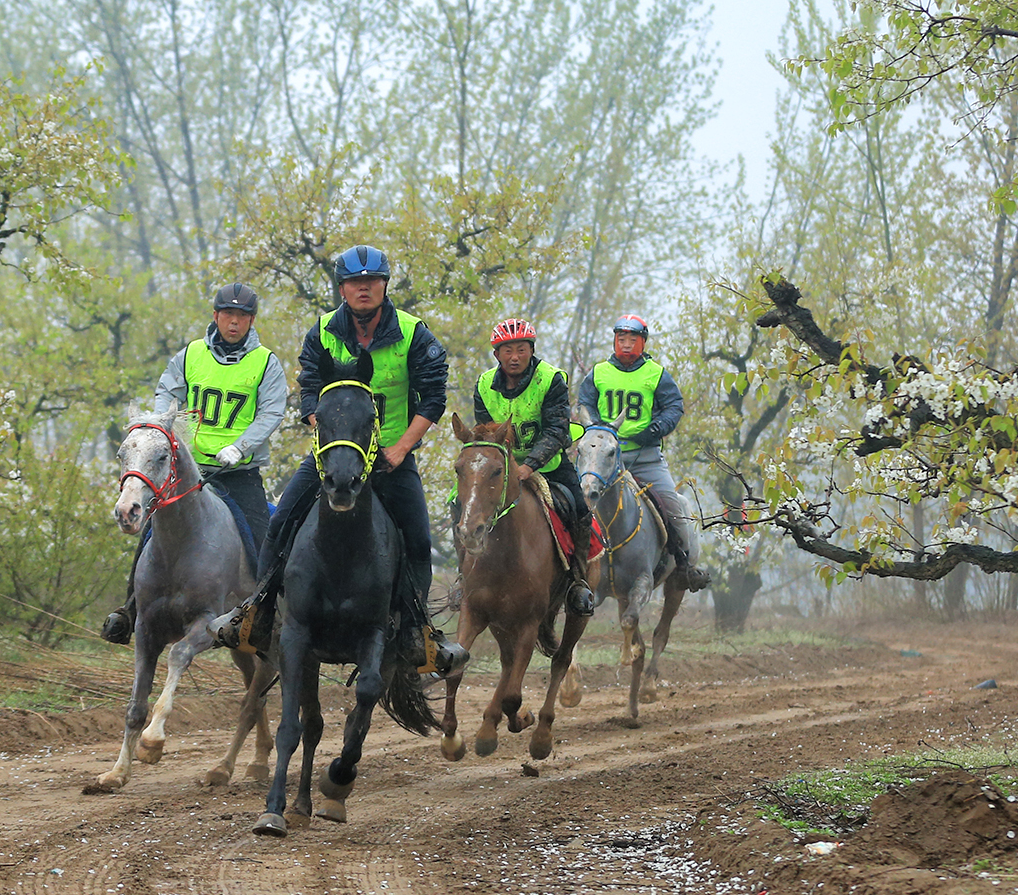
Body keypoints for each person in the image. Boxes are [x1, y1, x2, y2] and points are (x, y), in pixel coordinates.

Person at [221, 243, 457, 661]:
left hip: (390, 459)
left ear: (384, 286)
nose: (363, 289)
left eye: (371, 282)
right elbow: (308, 390)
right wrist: (328, 434)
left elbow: (434, 397)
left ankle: (418, 633)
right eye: (354, 283)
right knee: (280, 525)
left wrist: (402, 449)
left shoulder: (413, 332)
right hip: (332, 456)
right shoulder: (324, 329)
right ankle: (256, 612)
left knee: (419, 540)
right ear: (342, 289)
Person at [100, 282, 288, 644]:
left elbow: (272, 412)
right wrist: (159, 434)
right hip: (188, 471)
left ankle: (268, 612)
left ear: (251, 321)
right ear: (216, 316)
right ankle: (130, 609)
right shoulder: (189, 356)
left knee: (261, 534)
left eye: (242, 317)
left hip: (238, 471)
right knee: (154, 530)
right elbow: (166, 396)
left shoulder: (266, 362)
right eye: (228, 315)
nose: (234, 323)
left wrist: (241, 445)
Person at [575, 312, 712, 591]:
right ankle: (570, 568)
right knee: (575, 504)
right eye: (621, 339)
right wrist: (597, 430)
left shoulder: (657, 374)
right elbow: (584, 405)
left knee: (674, 506)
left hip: (644, 457)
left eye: (632, 340)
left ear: (643, 343)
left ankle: (685, 565)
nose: (626, 345)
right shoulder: (598, 372)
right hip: (603, 459)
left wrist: (655, 428)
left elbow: (674, 407)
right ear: (614, 341)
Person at [471, 318, 598, 615]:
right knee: (462, 502)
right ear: (497, 354)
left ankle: (578, 581)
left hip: (550, 464)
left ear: (531, 350)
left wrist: (528, 467)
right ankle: (468, 574)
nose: (514, 357)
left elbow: (557, 431)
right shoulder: (484, 385)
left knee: (579, 508)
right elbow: (484, 432)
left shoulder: (551, 379)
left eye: (521, 349)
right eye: (507, 351)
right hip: (500, 467)